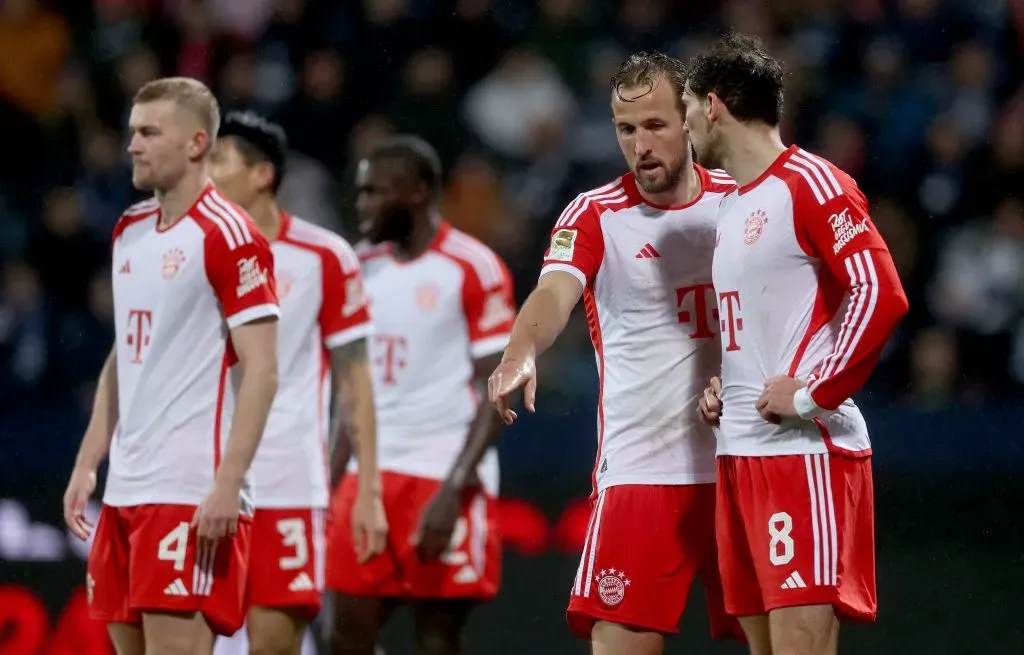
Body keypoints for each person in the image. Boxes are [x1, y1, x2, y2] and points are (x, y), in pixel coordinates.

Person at [488, 52, 743, 655]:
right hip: (644, 470)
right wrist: (520, 350)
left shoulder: (745, 200)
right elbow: (554, 293)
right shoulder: (597, 213)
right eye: (626, 130)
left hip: (746, 459)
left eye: (655, 125)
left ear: (691, 118)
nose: (641, 144)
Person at [681, 33, 909, 655]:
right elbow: (763, 322)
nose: (685, 126)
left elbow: (880, 293)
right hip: (740, 450)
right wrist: (729, 383)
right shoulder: (731, 206)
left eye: (686, 108)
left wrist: (813, 392)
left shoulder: (813, 182)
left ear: (715, 105)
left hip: (802, 453)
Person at [61, 77, 280, 655]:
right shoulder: (130, 230)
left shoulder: (231, 236)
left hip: (190, 488)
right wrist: (89, 462)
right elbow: (124, 355)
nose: (132, 144)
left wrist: (229, 484)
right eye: (132, 131)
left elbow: (262, 369)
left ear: (195, 143)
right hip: (124, 489)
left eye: (149, 132)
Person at [207, 111, 388, 655]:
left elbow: (355, 382)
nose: (204, 174)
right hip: (193, 480)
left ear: (262, 175)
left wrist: (368, 490)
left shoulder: (324, 257)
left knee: (274, 645)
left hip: (285, 483)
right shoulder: (187, 254)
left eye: (218, 161)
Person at [326, 135, 515, 655]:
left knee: (437, 640)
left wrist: (455, 486)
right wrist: (330, 476)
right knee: (345, 633)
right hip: (368, 476)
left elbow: (499, 387)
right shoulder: (359, 268)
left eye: (374, 193)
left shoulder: (471, 267)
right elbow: (348, 388)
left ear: (416, 192)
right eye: (360, 192)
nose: (361, 204)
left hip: (441, 474)